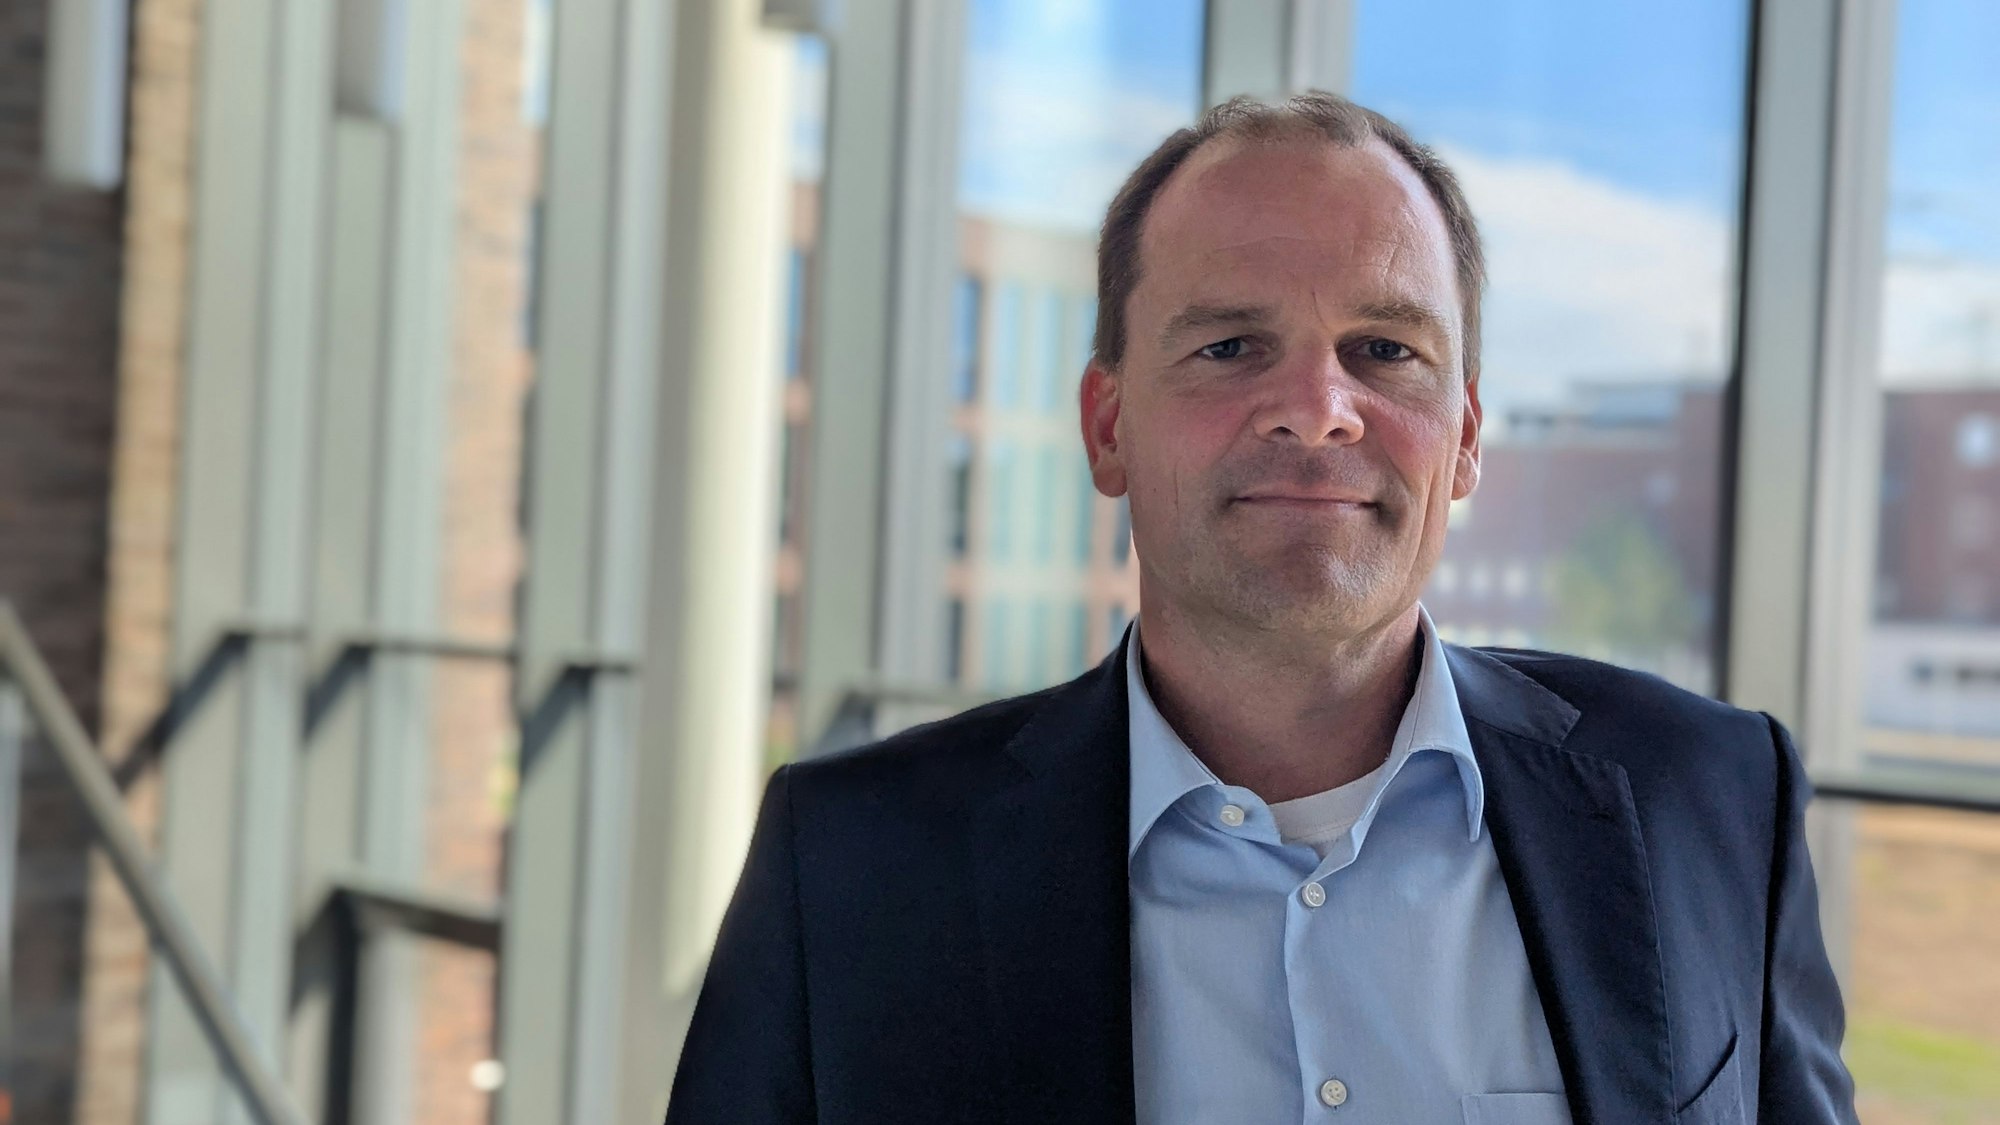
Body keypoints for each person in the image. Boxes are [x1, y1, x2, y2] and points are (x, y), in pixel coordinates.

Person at [665, 92, 1857, 1125]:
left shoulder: (1709, 798)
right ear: (1106, 426)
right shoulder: (854, 868)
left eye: (1385, 349)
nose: (1317, 410)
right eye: (1231, 345)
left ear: (1465, 442)